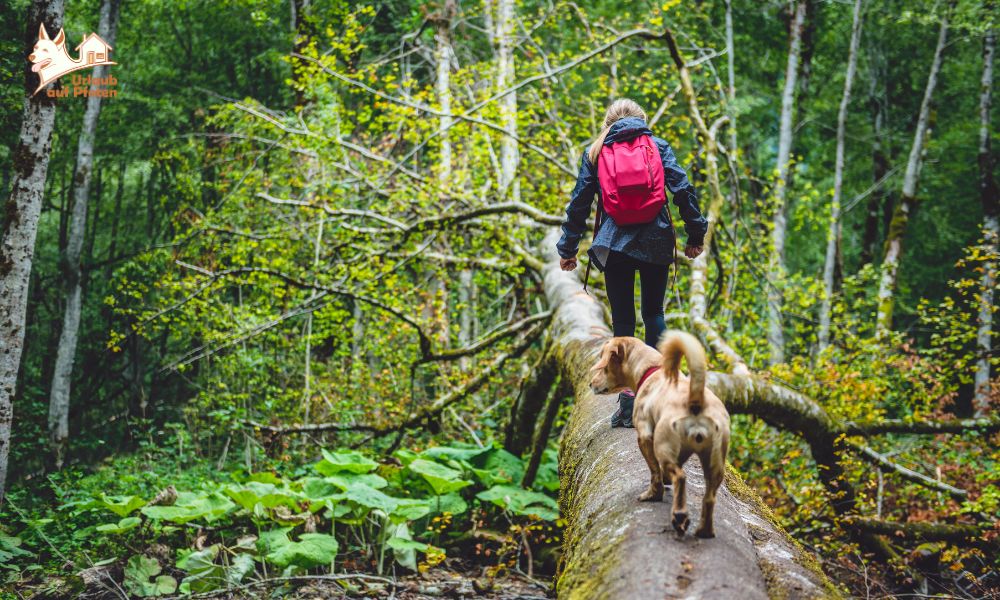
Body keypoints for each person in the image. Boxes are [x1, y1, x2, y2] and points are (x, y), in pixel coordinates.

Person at [556, 98, 708, 428]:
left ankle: (628, 406)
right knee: (654, 314)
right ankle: (663, 391)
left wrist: (568, 248)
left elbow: (579, 203)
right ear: (642, 119)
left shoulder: (595, 152)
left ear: (607, 123)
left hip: (614, 244)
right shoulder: (656, 145)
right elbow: (683, 189)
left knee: (623, 322)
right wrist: (695, 234)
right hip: (656, 240)